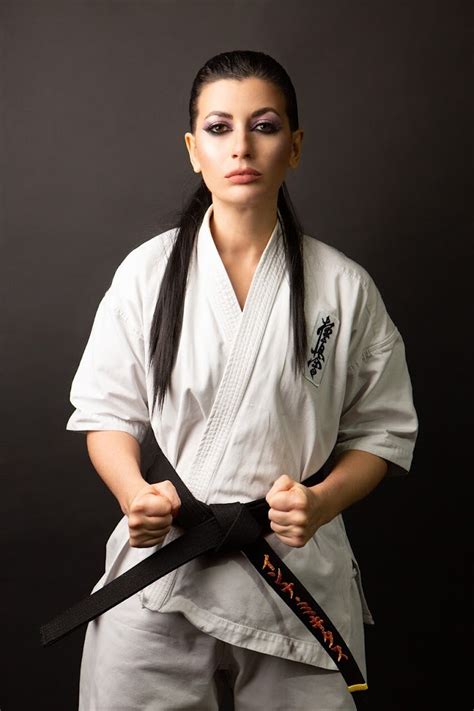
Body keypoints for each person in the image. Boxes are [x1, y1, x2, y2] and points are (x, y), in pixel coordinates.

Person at [65, 50, 418, 710]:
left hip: (294, 572)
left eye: (265, 126)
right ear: (193, 150)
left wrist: (321, 503)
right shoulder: (147, 274)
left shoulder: (343, 286)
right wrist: (134, 492)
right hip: (166, 570)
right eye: (219, 128)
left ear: (295, 146)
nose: (242, 147)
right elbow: (107, 413)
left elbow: (382, 430)